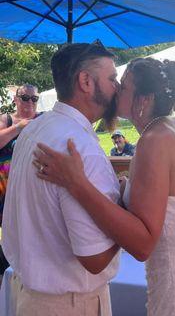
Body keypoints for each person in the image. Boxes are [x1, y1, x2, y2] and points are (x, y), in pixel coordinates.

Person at [33, 57, 175, 316]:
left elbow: (141, 245)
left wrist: (77, 183)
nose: (116, 89)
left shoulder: (153, 140)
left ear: (144, 99)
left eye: (123, 86)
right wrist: (136, 190)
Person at [2, 43, 121, 316]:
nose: (117, 87)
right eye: (112, 79)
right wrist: (124, 213)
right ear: (86, 81)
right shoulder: (78, 146)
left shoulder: (36, 129)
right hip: (69, 304)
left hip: (28, 295)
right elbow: (94, 258)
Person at [0, 84, 40, 224]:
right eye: (25, 97)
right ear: (15, 100)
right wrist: (18, 127)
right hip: (5, 189)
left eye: (34, 98)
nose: (30, 102)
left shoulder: (43, 119)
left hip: (33, 188)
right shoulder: (6, 120)